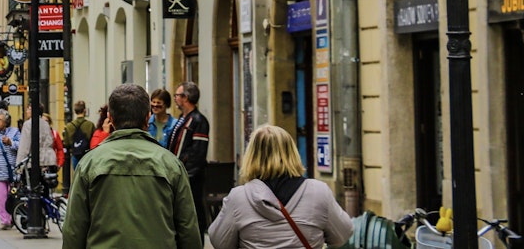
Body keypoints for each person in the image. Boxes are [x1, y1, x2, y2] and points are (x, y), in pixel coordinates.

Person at [61, 84, 201, 249]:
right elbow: (188, 229)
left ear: (110, 118)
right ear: (147, 118)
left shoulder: (89, 164)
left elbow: (74, 229)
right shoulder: (171, 164)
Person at [207, 125, 354, 249]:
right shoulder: (319, 192)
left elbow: (219, 241)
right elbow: (343, 235)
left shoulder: (238, 198)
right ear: (292, 153)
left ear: (251, 155)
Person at [167, 81, 211, 236]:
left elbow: (197, 154)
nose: (175, 98)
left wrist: (185, 175)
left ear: (185, 98)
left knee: (194, 212)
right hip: (179, 175)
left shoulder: (198, 121)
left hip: (191, 178)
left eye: (177, 95)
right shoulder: (182, 118)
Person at [15, 108, 57, 182]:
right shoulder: (45, 124)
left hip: (33, 162)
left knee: (33, 187)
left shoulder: (28, 124)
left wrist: (19, 165)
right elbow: (50, 140)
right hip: (47, 160)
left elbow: (24, 146)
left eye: (28, 109)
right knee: (45, 187)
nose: (26, 111)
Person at [62, 100, 96, 175]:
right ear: (84, 110)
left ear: (75, 111)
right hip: (87, 154)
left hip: (75, 153)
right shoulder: (90, 125)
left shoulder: (69, 126)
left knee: (78, 175)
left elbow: (66, 142)